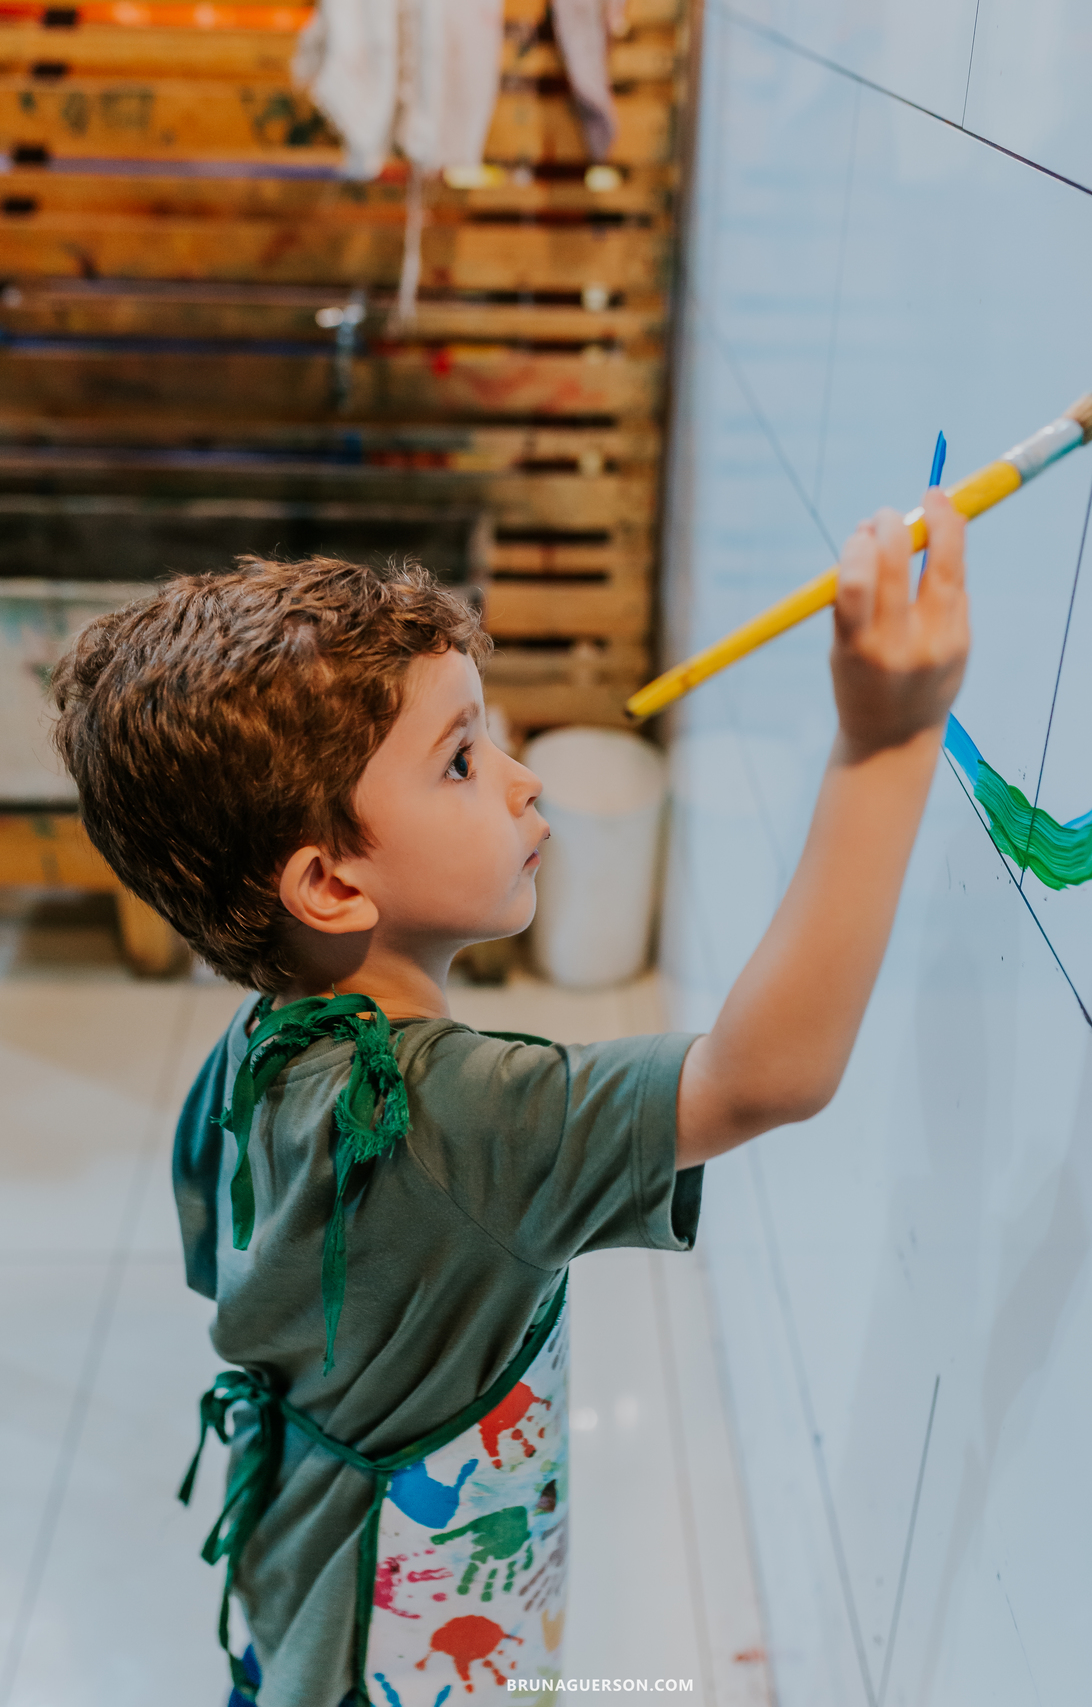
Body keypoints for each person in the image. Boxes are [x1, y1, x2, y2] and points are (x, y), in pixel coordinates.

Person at [49, 487, 969, 1707]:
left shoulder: (258, 1042)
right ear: (330, 886)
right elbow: (765, 1077)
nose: (524, 781)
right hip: (396, 1644)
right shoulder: (464, 1122)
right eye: (463, 760)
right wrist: (888, 742)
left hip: (300, 1555)